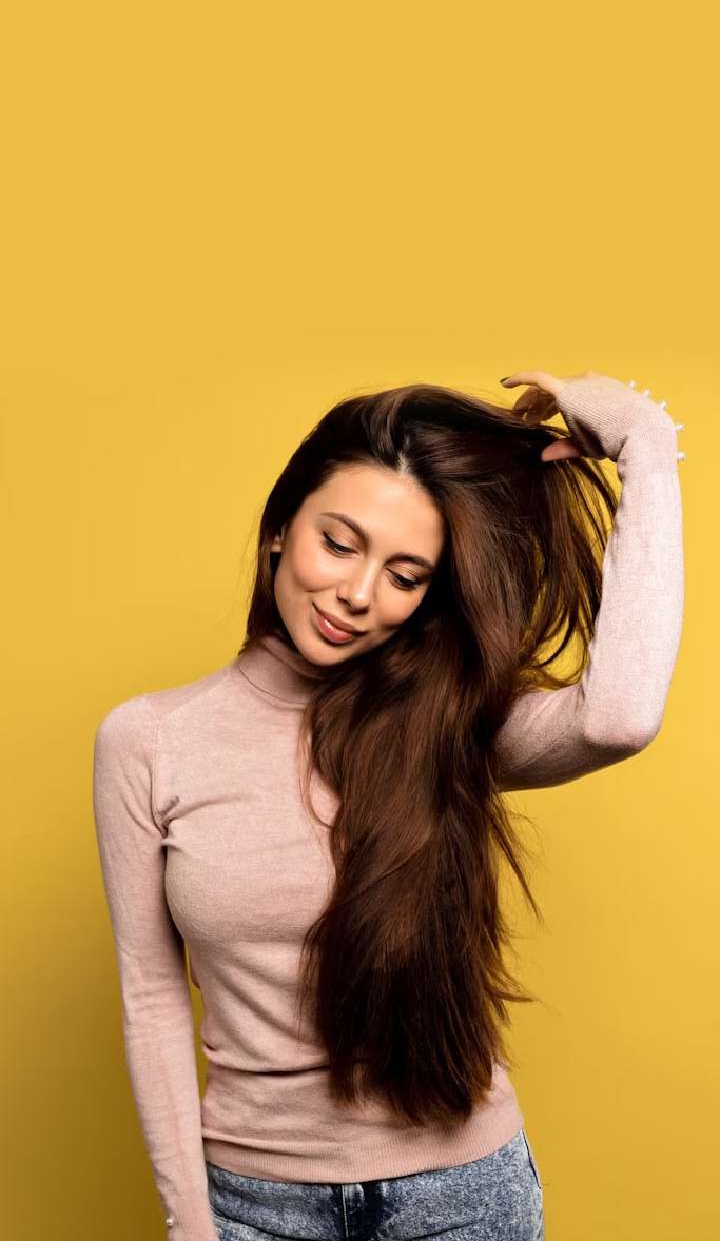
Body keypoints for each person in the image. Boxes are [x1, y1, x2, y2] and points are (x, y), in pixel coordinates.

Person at [92, 369, 685, 1241]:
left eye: (405, 576)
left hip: (460, 1201)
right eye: (339, 544)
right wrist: (191, 1223)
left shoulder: (446, 725)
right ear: (279, 529)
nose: (360, 595)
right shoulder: (149, 741)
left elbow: (620, 718)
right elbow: (150, 993)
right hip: (253, 1206)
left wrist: (645, 446)